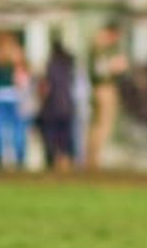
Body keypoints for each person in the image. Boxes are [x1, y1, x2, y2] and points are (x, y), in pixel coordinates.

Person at [0, 31, 30, 171]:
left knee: (0, 128)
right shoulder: (17, 57)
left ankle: (0, 158)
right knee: (17, 129)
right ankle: (19, 158)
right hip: (14, 95)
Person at [86, 21, 127, 170]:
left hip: (102, 88)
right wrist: (114, 67)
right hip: (104, 88)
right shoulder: (100, 48)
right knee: (102, 125)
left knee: (98, 125)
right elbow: (100, 70)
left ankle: (93, 159)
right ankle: (93, 160)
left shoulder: (101, 48)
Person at [38, 34, 77, 171]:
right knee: (66, 138)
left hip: (53, 107)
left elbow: (46, 87)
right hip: (67, 106)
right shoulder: (70, 64)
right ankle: (67, 163)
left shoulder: (51, 65)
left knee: (52, 137)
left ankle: (54, 163)